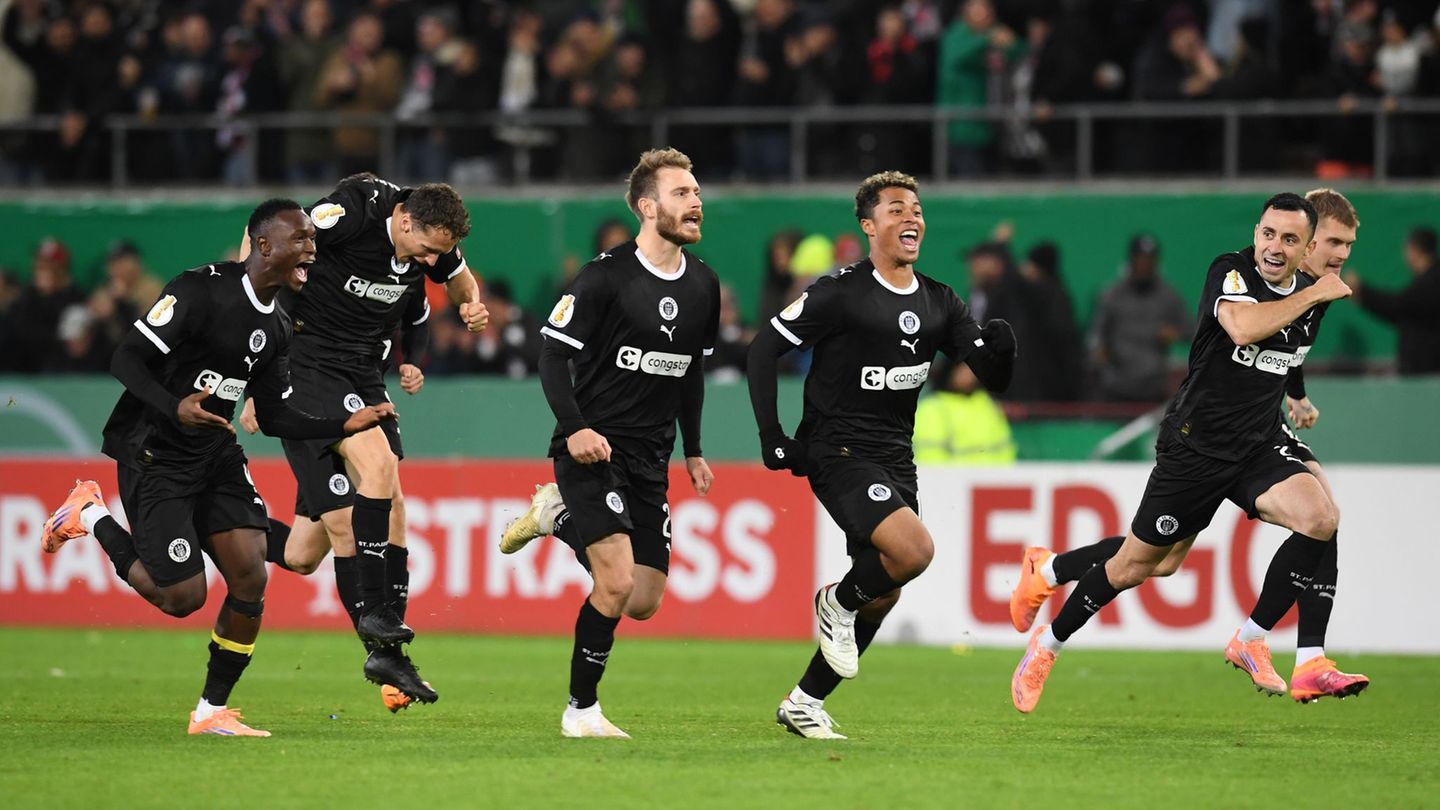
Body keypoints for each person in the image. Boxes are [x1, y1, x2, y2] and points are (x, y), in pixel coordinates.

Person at [40, 199, 397, 736]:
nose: (312, 249)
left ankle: (210, 711)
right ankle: (89, 514)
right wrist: (173, 406)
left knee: (251, 574)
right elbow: (125, 358)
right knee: (182, 598)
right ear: (264, 245)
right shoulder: (198, 290)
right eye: (301, 240)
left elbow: (273, 415)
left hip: (215, 454)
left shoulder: (278, 325)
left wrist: (341, 424)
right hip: (155, 451)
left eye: (313, 240)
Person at [1011, 188, 1372, 704]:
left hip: (1258, 443)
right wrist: (1314, 295)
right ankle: (1047, 640)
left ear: (1303, 247)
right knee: (1143, 565)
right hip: (1196, 447)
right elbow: (1244, 329)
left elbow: (1288, 350)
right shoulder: (1233, 271)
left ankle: (1260, 642)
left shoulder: (1313, 291)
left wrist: (1296, 393)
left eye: (1290, 239)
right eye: (1269, 234)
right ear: (1257, 234)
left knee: (1321, 517)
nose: (1276, 246)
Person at [747, 171, 1015, 739]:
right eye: (896, 209)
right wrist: (771, 434)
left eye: (916, 209)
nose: (911, 217)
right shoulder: (839, 293)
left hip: (895, 457)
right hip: (837, 449)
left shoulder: (940, 301)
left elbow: (990, 375)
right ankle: (834, 602)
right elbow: (763, 348)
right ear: (869, 226)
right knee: (914, 550)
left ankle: (804, 702)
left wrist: (1002, 353)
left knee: (884, 590)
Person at [499, 148, 719, 738]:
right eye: (681, 193)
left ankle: (555, 517)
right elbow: (551, 356)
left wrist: (694, 448)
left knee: (643, 599)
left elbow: (690, 372)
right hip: (592, 451)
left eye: (696, 192)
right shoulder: (604, 277)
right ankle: (581, 711)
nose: (695, 202)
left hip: (651, 458)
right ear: (647, 207)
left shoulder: (704, 283)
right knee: (615, 581)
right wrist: (575, 428)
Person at [264, 173, 487, 707]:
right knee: (377, 476)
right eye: (427, 249)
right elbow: (270, 245)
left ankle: (211, 515)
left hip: (364, 372)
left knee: (303, 553)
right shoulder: (354, 211)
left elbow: (460, 282)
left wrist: (471, 305)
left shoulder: (431, 245)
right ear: (404, 221)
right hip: (309, 363)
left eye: (440, 254)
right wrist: (257, 370)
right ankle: (383, 637)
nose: (431, 262)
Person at [244, 283, 430, 712]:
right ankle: (386, 656)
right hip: (309, 390)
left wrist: (413, 359)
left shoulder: (409, 268)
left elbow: (420, 315)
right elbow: (263, 304)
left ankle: (214, 518)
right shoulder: (329, 256)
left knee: (301, 555)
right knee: (351, 521)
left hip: (363, 384)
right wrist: (254, 389)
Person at [1089, 233, 1192, 402]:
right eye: (1141, 259)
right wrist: (1099, 351)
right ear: (1131, 260)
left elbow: (1192, 331)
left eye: (1150, 260)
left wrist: (1176, 333)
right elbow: (1096, 334)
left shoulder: (1169, 296)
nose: (1145, 265)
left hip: (1153, 387)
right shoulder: (1112, 294)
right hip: (1116, 387)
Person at [1345, 226, 1440, 375]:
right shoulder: (1428, 280)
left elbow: (1398, 306)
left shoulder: (1431, 282)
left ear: (1414, 250)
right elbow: (1402, 312)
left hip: (1428, 373)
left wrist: (1362, 291)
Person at [913, 357, 1015, 465]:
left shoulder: (988, 404)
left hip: (993, 475)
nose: (969, 375)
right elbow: (930, 458)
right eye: (962, 369)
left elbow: (1005, 448)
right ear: (949, 371)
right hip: (951, 475)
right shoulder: (932, 408)